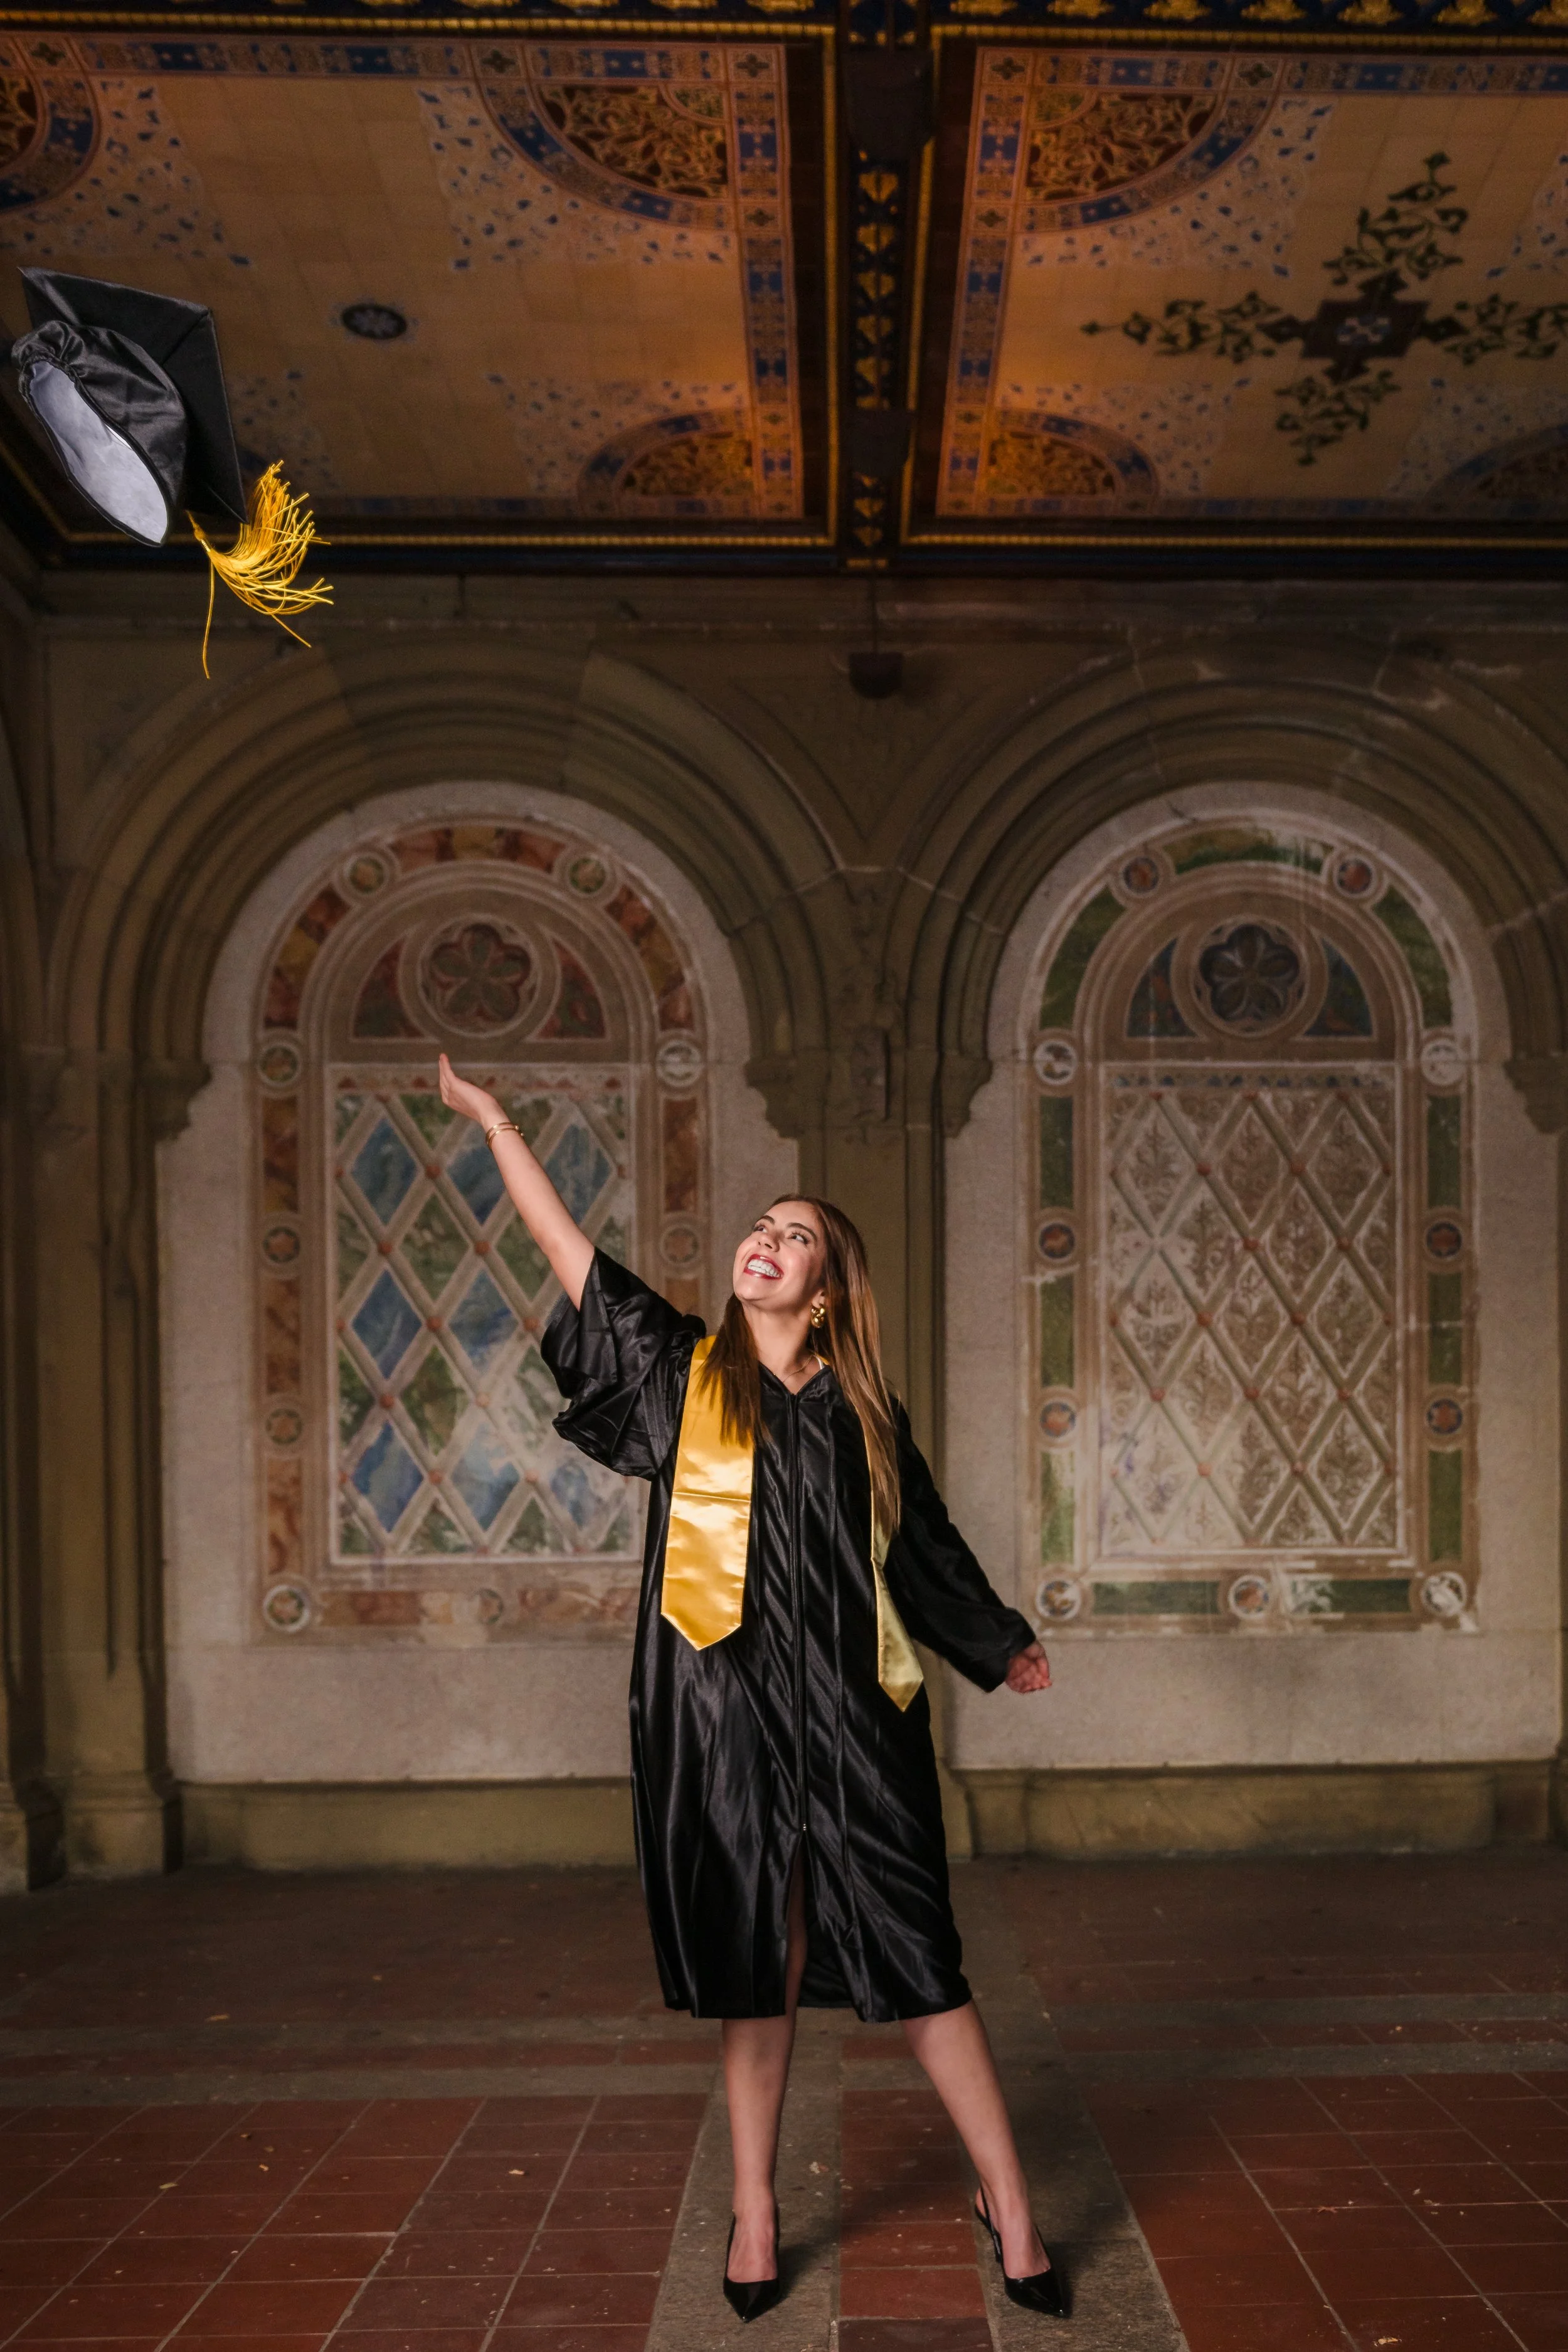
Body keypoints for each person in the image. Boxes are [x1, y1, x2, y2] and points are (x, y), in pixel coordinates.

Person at [437, 1053, 1066, 2323]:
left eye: (795, 1237)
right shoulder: (683, 1377)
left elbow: (925, 1551)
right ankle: (755, 2208)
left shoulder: (867, 1418)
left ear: (826, 1294)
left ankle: (1008, 2201)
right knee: (755, 1961)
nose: (764, 1241)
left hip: (859, 1720)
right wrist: (494, 1124)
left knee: (925, 1958)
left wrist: (996, 1641)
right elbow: (566, 1252)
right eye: (760, 1227)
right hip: (721, 1722)